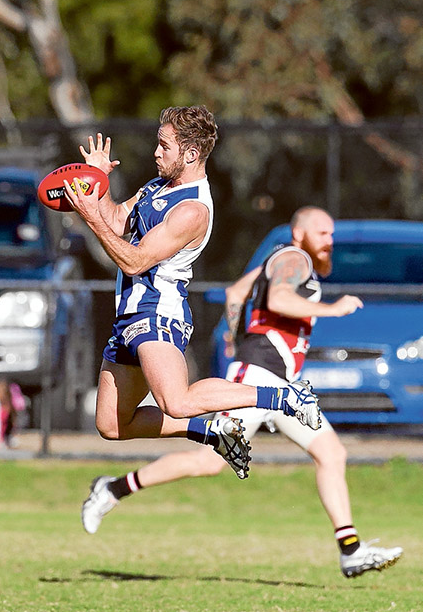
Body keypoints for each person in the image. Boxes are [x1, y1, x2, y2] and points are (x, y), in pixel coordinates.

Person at [78, 206, 403, 579]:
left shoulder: (278, 258)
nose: (331, 242)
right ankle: (112, 489)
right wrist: (332, 308)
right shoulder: (294, 258)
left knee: (331, 453)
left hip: (279, 379)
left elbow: (235, 293)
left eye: (332, 234)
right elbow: (279, 299)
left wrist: (234, 337)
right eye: (323, 233)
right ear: (299, 235)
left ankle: (351, 550)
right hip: (260, 377)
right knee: (208, 461)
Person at [63, 105, 320, 479]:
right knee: (112, 425)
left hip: (158, 314)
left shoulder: (192, 210)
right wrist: (98, 184)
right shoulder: (157, 186)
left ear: (191, 154)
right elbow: (117, 221)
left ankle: (285, 397)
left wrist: (89, 217)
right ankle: (212, 432)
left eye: (164, 146)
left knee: (176, 401)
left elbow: (134, 262)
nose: (156, 152)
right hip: (130, 316)